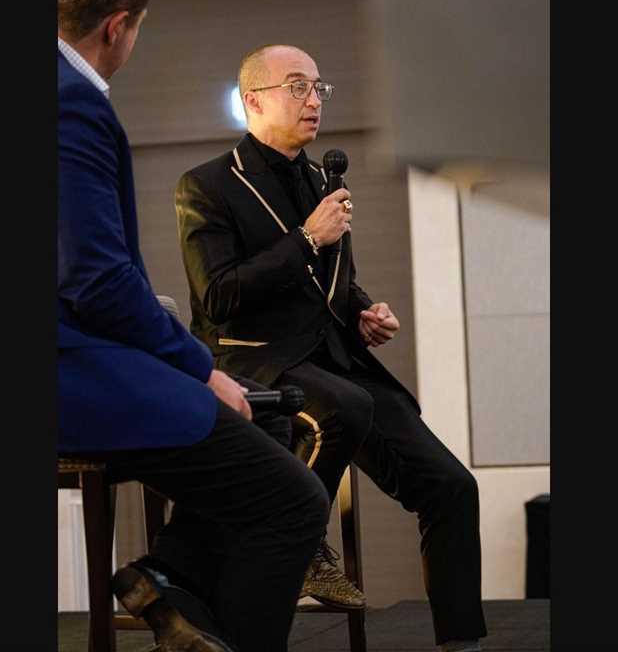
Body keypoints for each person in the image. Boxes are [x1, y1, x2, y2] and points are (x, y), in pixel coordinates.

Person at [57, 0, 328, 650]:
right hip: (68, 364)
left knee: (263, 411)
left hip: (85, 345)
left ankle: (167, 580)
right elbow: (99, 282)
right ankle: (174, 588)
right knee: (295, 499)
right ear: (119, 25)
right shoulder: (71, 103)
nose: (310, 100)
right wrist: (197, 368)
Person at [174, 44, 488, 651]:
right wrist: (305, 238)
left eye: (319, 87)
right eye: (297, 87)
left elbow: (329, 283)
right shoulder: (206, 185)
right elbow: (218, 296)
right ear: (253, 100)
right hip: (255, 358)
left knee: (453, 487)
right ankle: (300, 541)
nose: (314, 100)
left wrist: (363, 310)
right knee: (345, 404)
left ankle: (462, 644)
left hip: (336, 358)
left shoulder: (323, 178)